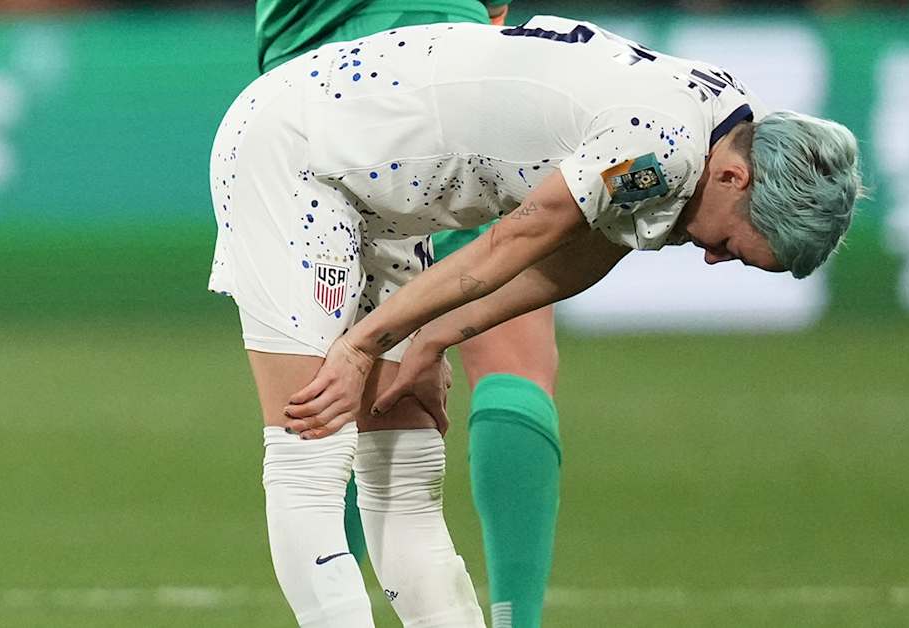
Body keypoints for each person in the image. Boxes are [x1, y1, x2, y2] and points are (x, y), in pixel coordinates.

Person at [209, 14, 862, 627]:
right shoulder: (662, 148)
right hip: (301, 154)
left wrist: (433, 336)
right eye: (731, 246)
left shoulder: (732, 126)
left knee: (407, 472)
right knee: (311, 452)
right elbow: (520, 236)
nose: (714, 257)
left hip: (383, 197)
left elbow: (582, 255)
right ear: (734, 178)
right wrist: (362, 346)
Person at [254, 3, 566, 627]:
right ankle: (518, 620)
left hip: (313, 76)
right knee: (511, 361)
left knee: (322, 401)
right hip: (453, 68)